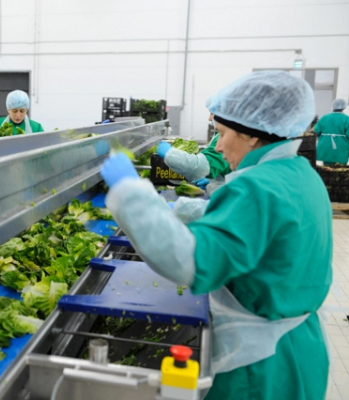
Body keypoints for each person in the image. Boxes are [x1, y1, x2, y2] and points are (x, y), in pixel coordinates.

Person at [100, 71, 331, 400]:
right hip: (299, 348)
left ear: (251, 135)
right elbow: (255, 231)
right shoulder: (299, 174)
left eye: (221, 133)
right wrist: (180, 209)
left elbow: (189, 261)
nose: (218, 146)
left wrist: (130, 195)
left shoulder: (258, 187)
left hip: (260, 369)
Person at [156, 109, 231, 190]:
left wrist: (169, 153)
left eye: (212, 113)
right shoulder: (220, 134)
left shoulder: (228, 138)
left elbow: (199, 167)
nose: (209, 118)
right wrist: (211, 184)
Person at [314, 98, 349, 165]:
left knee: (326, 169)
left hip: (326, 146)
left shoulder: (324, 117)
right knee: (340, 169)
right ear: (344, 107)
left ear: (333, 106)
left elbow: (316, 131)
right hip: (341, 148)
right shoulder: (347, 119)